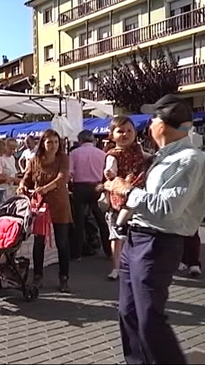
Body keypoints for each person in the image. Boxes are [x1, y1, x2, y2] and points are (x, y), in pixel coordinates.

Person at [104, 95, 205, 364]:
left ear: (165, 125)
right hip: (137, 238)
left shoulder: (189, 159)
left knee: (150, 319)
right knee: (128, 313)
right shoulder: (163, 156)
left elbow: (166, 208)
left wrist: (126, 191)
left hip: (158, 242)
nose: (148, 124)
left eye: (154, 119)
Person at [17, 129, 72, 292]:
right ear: (43, 143)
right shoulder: (35, 160)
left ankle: (64, 277)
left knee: (62, 242)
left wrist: (46, 188)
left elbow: (62, 178)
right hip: (40, 206)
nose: (53, 145)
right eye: (49, 142)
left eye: (56, 142)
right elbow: (26, 178)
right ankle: (38, 276)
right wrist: (21, 186)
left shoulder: (63, 158)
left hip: (59, 204)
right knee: (39, 242)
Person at [103, 116, 150, 281]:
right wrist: (110, 174)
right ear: (112, 135)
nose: (125, 134)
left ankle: (134, 265)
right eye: (120, 131)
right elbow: (110, 170)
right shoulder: (112, 155)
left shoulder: (138, 150)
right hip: (119, 199)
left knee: (137, 234)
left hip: (138, 195)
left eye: (129, 130)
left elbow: (148, 157)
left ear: (135, 133)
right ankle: (116, 267)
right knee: (117, 236)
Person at [69, 130, 110, 260]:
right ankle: (109, 250)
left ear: (80, 140)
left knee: (79, 222)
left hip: (80, 188)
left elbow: (70, 173)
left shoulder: (74, 153)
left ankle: (77, 253)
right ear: (93, 140)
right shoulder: (102, 154)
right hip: (97, 187)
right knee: (102, 221)